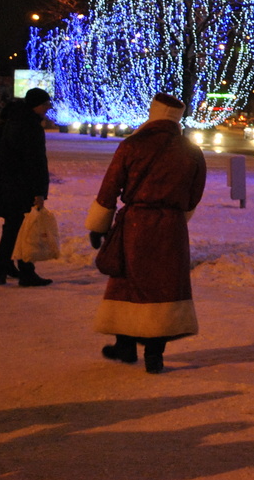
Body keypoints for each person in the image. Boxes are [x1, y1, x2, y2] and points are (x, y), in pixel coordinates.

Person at [87, 92, 206, 374]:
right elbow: (193, 196)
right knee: (164, 287)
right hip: (171, 228)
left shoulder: (132, 145)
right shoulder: (191, 151)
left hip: (135, 225)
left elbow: (110, 187)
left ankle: (125, 345)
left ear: (152, 113)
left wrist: (98, 224)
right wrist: (177, 216)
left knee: (128, 282)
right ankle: (155, 355)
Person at [0, 87, 54, 286]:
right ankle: (26, 273)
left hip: (7, 184)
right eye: (45, 104)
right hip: (22, 186)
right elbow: (35, 162)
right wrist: (39, 192)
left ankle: (2, 269)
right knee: (25, 229)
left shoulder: (12, 121)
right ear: (36, 105)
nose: (47, 108)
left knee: (12, 228)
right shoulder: (30, 126)